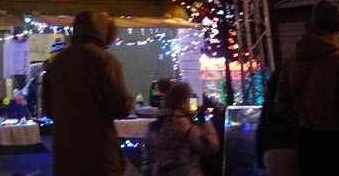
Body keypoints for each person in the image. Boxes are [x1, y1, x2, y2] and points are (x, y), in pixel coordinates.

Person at [42, 10, 133, 176]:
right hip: (99, 157)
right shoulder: (106, 61)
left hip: (66, 158)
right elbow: (121, 107)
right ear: (103, 31)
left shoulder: (56, 64)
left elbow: (48, 110)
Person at [275, 0, 339, 175]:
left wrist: (302, 118)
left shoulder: (292, 60)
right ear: (337, 26)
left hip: (307, 139)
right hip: (338, 141)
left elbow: (281, 105)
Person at [141, 81, 219, 176]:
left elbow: (148, 161)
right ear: (186, 101)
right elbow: (211, 147)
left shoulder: (154, 127)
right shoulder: (186, 126)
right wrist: (205, 118)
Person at [257, 69, 298, 176]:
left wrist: (259, 155)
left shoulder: (269, 102)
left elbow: (261, 127)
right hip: (292, 145)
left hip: (270, 150)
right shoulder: (294, 100)